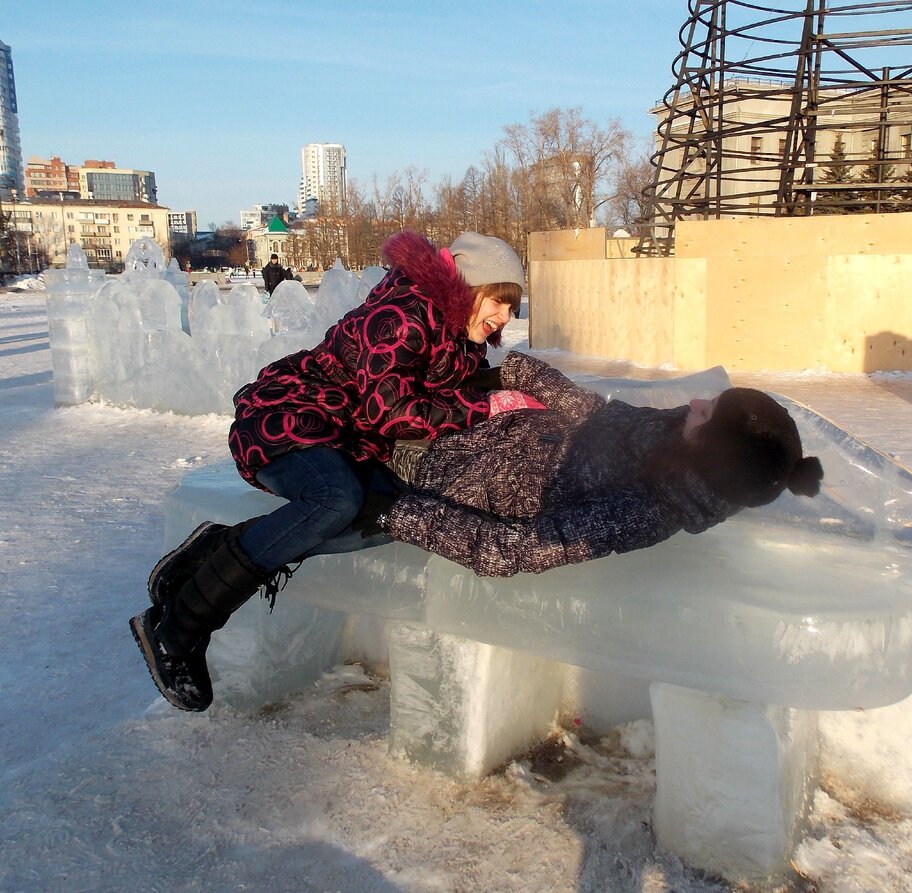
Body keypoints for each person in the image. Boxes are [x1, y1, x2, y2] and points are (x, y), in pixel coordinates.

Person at [131, 230, 525, 712]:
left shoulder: (460, 339)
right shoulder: (403, 315)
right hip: (289, 415)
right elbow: (392, 410)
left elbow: (439, 396)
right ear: (467, 289)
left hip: (346, 438)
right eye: (498, 302)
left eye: (512, 307)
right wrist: (486, 407)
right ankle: (179, 627)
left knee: (398, 519)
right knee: (335, 500)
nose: (506, 317)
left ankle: (212, 552)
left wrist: (510, 393)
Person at [374, 351, 824, 577]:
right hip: (468, 427)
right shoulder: (675, 434)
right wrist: (519, 373)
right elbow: (597, 414)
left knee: (324, 454)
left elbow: (513, 550)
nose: (695, 400)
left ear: (711, 452)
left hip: (435, 479)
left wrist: (393, 511)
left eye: (706, 412)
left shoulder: (647, 513)